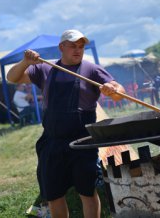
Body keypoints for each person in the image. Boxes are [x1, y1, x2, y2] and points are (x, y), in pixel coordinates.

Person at [7, 29, 125, 218]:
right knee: (54, 195)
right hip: (52, 142)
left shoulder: (91, 70)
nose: (78, 50)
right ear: (61, 47)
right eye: (73, 46)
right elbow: (12, 78)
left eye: (81, 47)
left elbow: (119, 92)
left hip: (83, 142)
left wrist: (113, 89)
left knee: (87, 192)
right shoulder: (45, 69)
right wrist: (25, 62)